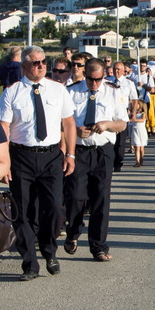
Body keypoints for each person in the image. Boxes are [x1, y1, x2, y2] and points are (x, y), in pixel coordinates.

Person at [0, 46, 76, 280]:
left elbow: (68, 123)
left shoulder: (58, 90)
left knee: (53, 207)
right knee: (22, 211)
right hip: (21, 157)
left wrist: (70, 154)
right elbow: (4, 128)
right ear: (24, 66)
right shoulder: (12, 92)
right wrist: (4, 162)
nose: (41, 66)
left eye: (43, 62)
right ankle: (29, 263)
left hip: (51, 156)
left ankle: (49, 251)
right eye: (35, 62)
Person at [64, 57, 127, 261]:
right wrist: (76, 130)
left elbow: (122, 123)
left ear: (104, 75)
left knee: (101, 198)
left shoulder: (113, 91)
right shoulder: (72, 92)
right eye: (91, 79)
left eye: (98, 79)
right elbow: (62, 121)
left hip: (102, 150)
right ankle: (73, 232)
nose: (94, 84)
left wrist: (107, 125)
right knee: (75, 196)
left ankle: (98, 246)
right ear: (85, 75)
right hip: (79, 150)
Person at [107, 61, 137, 172]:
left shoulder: (128, 83)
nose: (116, 71)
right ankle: (109, 161)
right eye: (114, 69)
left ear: (123, 70)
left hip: (122, 114)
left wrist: (133, 112)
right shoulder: (107, 82)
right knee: (109, 140)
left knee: (120, 142)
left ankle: (118, 162)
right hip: (109, 114)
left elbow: (134, 99)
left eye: (118, 69)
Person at [128, 97, 149, 166]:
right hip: (135, 131)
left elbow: (142, 120)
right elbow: (129, 117)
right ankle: (137, 161)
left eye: (137, 104)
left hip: (141, 131)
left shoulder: (143, 113)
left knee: (141, 148)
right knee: (137, 147)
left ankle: (141, 160)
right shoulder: (133, 113)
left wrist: (135, 120)